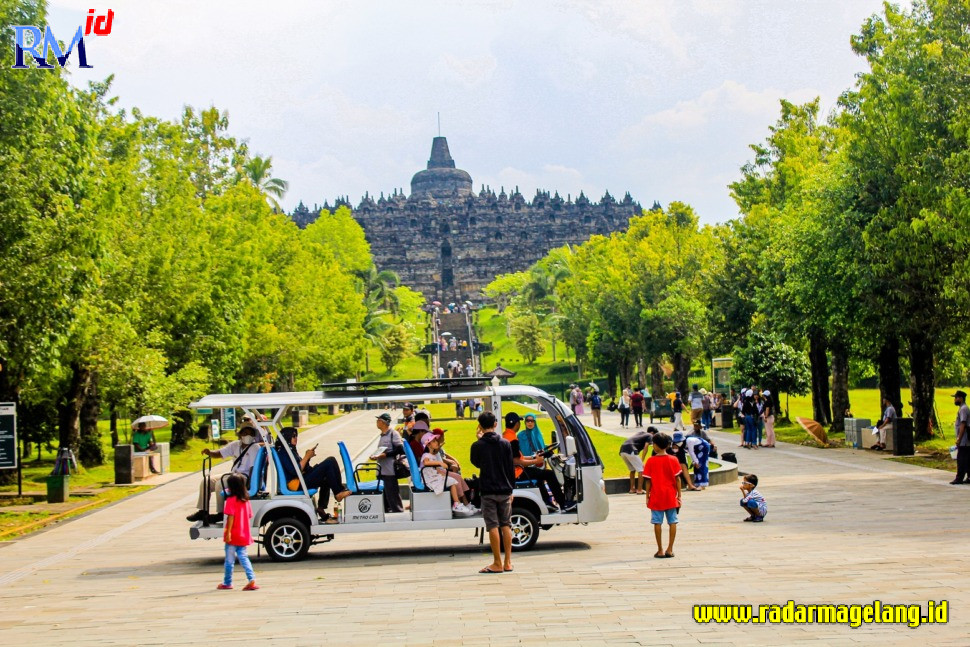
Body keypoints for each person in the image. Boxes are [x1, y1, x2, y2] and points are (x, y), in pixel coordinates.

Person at [187, 426, 262, 523]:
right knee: (206, 481)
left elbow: (253, 468)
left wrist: (250, 485)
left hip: (244, 477)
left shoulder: (254, 447)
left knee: (220, 484)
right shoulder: (235, 445)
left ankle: (221, 513)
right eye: (245, 433)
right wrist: (210, 452)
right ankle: (203, 511)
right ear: (240, 435)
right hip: (233, 474)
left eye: (251, 434)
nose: (248, 436)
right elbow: (220, 453)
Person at [470, 411, 515, 574]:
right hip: (504, 489)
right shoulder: (505, 443)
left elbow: (475, 462)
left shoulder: (478, 445)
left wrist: (479, 439)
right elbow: (510, 468)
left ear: (480, 426)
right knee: (506, 524)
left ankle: (497, 562)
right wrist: (511, 489)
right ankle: (508, 561)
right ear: (495, 424)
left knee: (492, 525)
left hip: (488, 489)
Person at [274, 427, 350, 520]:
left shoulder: (290, 450)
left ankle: (321, 508)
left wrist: (308, 457)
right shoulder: (284, 452)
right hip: (296, 484)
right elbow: (295, 471)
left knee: (327, 475)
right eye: (293, 436)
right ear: (286, 437)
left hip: (300, 480)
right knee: (330, 461)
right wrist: (306, 456)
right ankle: (338, 493)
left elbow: (302, 467)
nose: (296, 438)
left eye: (296, 436)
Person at [502, 412, 570, 511]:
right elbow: (516, 461)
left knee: (539, 475)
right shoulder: (513, 439)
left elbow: (519, 457)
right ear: (517, 424)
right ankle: (563, 503)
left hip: (515, 470)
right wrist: (535, 461)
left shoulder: (507, 435)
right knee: (549, 474)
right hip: (518, 472)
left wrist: (534, 458)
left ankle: (547, 502)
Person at [217, 473, 259, 590]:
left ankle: (227, 582)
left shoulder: (231, 500)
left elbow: (230, 517)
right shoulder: (246, 501)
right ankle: (252, 579)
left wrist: (228, 532)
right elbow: (249, 515)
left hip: (233, 535)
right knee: (244, 557)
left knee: (229, 561)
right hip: (244, 534)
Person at [643, 432, 681, 558]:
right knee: (673, 521)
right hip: (670, 495)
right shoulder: (673, 459)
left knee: (657, 522)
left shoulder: (651, 461)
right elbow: (678, 479)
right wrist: (679, 495)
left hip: (656, 496)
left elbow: (648, 481)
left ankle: (660, 549)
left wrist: (647, 495)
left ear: (657, 445)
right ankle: (670, 549)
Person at [420, 433, 475, 515]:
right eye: (434, 441)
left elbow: (434, 468)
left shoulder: (431, 455)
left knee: (453, 481)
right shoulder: (426, 455)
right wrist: (439, 463)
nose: (437, 442)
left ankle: (458, 503)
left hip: (434, 477)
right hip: (430, 479)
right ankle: (457, 503)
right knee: (453, 481)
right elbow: (426, 462)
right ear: (428, 444)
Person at [371, 413, 405, 513]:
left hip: (389, 470)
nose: (377, 423)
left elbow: (400, 449)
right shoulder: (382, 435)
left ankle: (398, 514)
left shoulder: (393, 434)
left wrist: (385, 455)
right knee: (384, 497)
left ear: (384, 422)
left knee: (393, 495)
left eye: (379, 420)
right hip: (381, 470)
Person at [619, 428, 653, 494]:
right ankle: (639, 489)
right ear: (652, 432)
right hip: (631, 449)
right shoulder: (650, 435)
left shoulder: (641, 433)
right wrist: (642, 459)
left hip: (622, 449)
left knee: (632, 469)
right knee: (641, 470)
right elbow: (646, 447)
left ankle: (632, 489)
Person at [950, 391, 970, 484]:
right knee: (967, 458)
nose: (955, 399)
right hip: (965, 439)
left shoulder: (963, 409)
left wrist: (959, 438)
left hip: (964, 439)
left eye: (956, 397)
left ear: (961, 398)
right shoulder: (963, 408)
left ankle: (959, 478)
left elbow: (963, 424)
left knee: (961, 459)